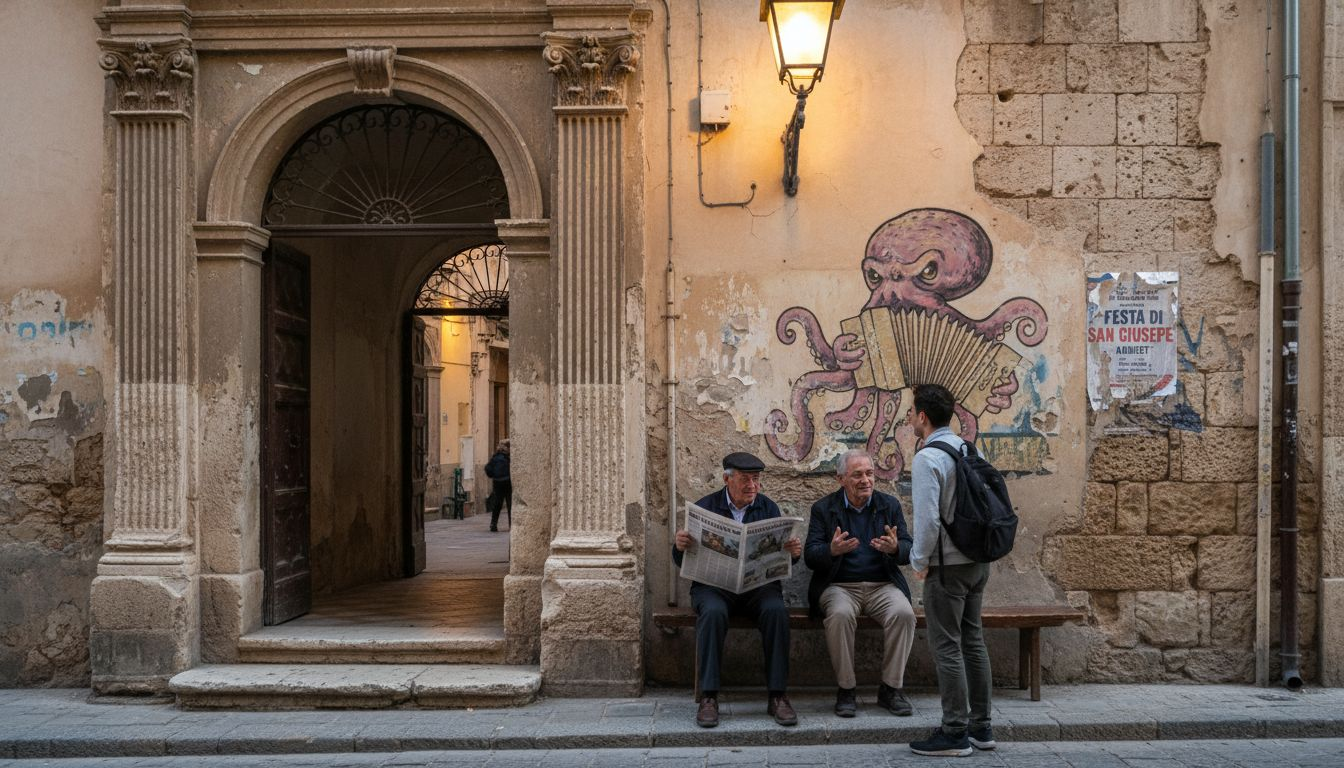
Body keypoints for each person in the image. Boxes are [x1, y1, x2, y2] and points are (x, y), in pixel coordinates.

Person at [672, 452, 804, 728]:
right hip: (714, 587)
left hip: (758, 588)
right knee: (713, 613)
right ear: (726, 479)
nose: (752, 486)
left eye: (756, 480)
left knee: (776, 611)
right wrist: (680, 546)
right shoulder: (705, 507)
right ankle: (709, 697)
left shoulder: (768, 508)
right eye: (745, 480)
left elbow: (781, 559)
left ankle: (778, 695)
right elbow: (681, 560)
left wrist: (792, 553)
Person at [906, 383, 995, 757]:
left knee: (947, 647)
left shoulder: (927, 458)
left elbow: (927, 522)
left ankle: (954, 731)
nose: (910, 418)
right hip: (978, 562)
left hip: (948, 567)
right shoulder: (966, 447)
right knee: (973, 641)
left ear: (923, 417)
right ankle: (982, 727)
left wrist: (918, 561)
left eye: (912, 412)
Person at [804, 449, 915, 718]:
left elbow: (908, 548)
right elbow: (810, 555)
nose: (865, 480)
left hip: (882, 585)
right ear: (841, 478)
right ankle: (846, 689)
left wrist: (894, 548)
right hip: (839, 586)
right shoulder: (823, 509)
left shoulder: (889, 505)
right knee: (840, 615)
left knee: (904, 614)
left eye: (869, 473)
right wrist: (831, 551)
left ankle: (891, 689)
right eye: (857, 475)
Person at [483, 439, 511, 532]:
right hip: (508, 482)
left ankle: (493, 524)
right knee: (510, 503)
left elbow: (487, 468)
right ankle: (512, 525)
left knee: (497, 504)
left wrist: (493, 475)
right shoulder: (508, 457)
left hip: (497, 482)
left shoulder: (495, 457)